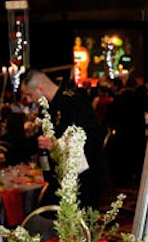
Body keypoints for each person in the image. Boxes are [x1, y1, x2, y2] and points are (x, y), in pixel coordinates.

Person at [20, 68, 104, 208]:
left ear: (40, 88)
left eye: (29, 94)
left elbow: (93, 136)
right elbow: (39, 139)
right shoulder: (45, 108)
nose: (29, 100)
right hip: (56, 176)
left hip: (81, 179)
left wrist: (58, 144)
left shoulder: (73, 100)